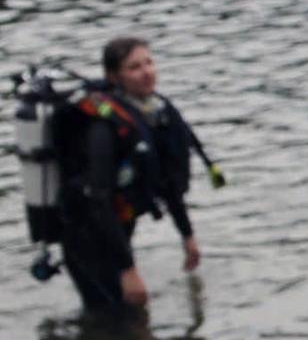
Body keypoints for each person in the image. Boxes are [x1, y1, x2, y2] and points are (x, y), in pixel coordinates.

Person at [50, 34, 202, 315]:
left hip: (117, 233)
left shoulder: (153, 112)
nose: (147, 73)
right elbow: (99, 201)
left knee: (128, 324)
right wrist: (128, 270)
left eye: (149, 63)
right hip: (87, 238)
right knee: (121, 319)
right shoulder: (103, 127)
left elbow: (167, 179)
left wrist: (187, 236)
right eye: (134, 67)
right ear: (113, 76)